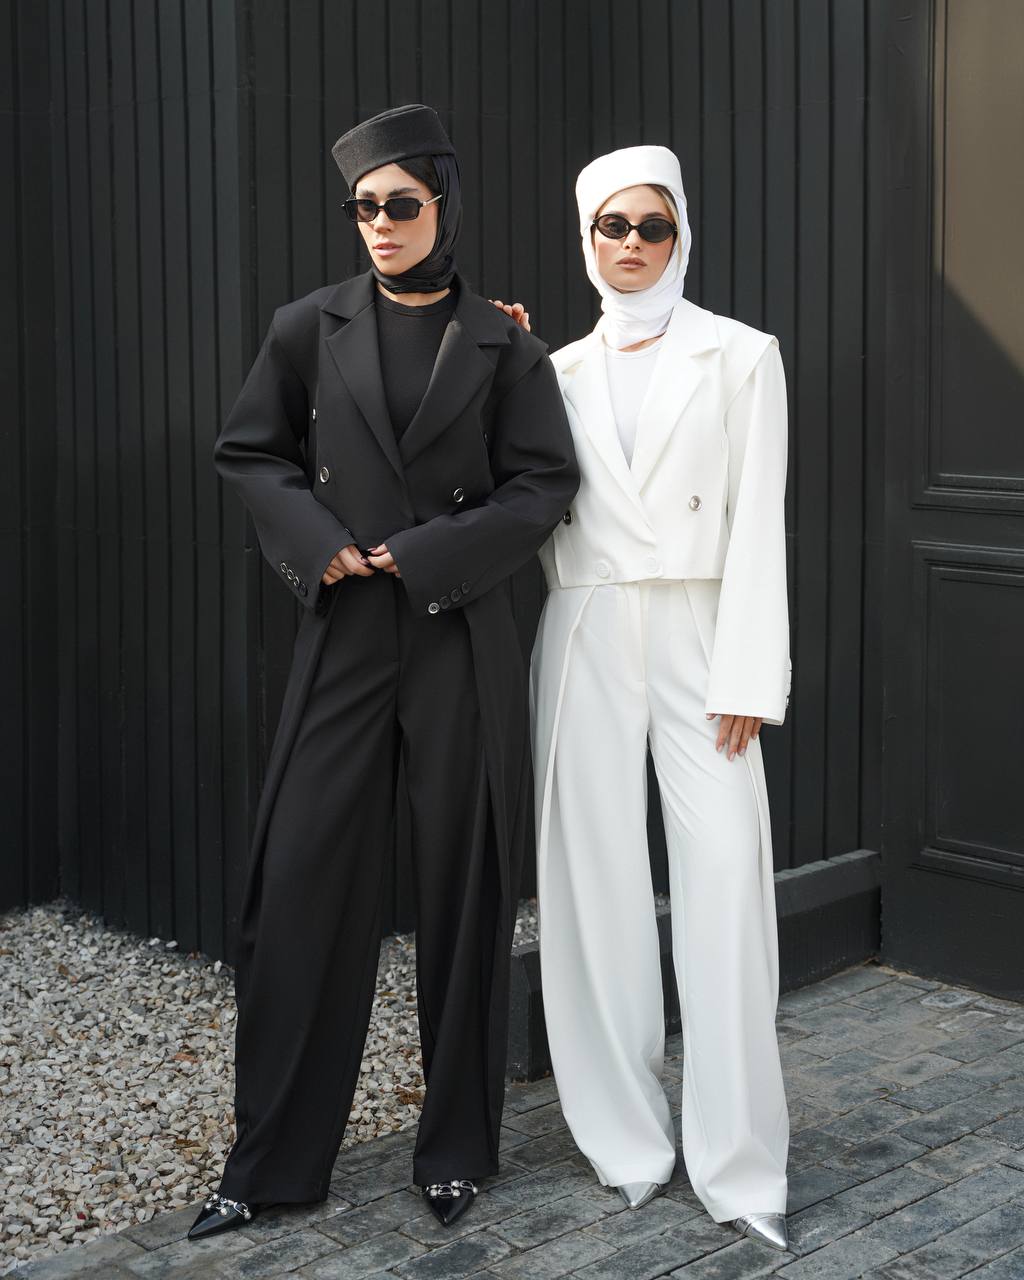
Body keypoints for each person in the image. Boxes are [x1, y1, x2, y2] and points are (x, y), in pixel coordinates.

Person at [188, 103, 578, 1240]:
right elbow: (249, 452)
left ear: (443, 204)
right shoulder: (306, 327)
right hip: (349, 627)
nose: (380, 223)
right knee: (300, 876)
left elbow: (544, 484)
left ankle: (454, 1148)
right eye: (363, 206)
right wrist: (320, 544)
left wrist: (429, 553)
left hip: (458, 632)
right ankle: (271, 1161)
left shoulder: (507, 345)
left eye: (401, 203)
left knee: (465, 885)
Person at [525, 145, 792, 1251]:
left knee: (724, 879)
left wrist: (749, 672)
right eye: (612, 226)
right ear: (586, 236)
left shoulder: (740, 354)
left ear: (681, 235)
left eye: (653, 226)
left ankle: (741, 1165)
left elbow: (759, 518)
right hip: (585, 620)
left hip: (698, 623)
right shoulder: (548, 371)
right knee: (592, 883)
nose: (631, 244)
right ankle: (626, 1141)